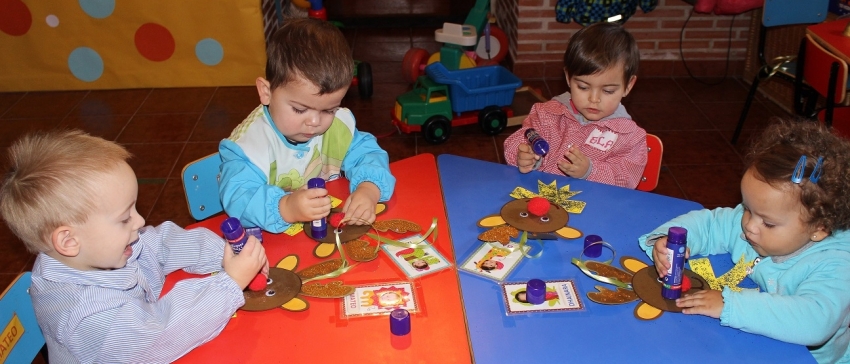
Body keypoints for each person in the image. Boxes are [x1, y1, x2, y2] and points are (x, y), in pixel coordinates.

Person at [0, 130, 269, 363]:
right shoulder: (85, 316)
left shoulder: (97, 249)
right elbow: (162, 334)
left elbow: (162, 243)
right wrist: (229, 283)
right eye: (125, 217)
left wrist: (223, 255)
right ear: (69, 241)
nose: (139, 221)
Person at [638, 120, 850, 363]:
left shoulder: (837, 264)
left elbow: (815, 321)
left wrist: (729, 305)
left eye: (768, 223)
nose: (749, 224)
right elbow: (712, 223)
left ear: (819, 229)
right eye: (748, 208)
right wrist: (670, 241)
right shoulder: (756, 221)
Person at [219, 17, 395, 233]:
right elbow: (238, 198)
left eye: (328, 110)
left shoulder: (336, 127)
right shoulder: (249, 146)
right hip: (270, 248)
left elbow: (367, 153)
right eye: (300, 110)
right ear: (267, 92)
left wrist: (369, 188)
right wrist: (285, 207)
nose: (314, 122)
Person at [504, 21, 647, 189]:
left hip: (592, 207)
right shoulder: (547, 114)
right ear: (568, 78)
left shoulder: (630, 137)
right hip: (539, 200)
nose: (594, 99)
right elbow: (520, 139)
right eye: (583, 87)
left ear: (628, 86)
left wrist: (590, 171)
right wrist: (525, 157)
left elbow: (626, 180)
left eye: (608, 91)